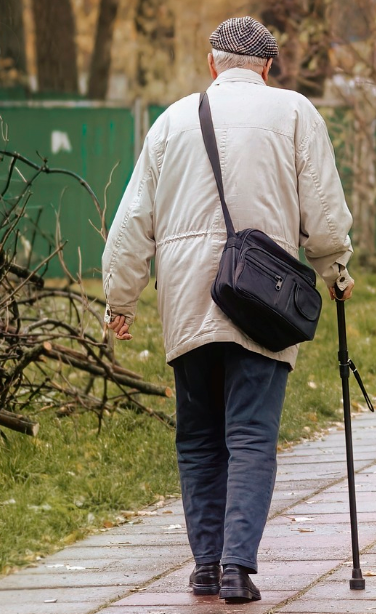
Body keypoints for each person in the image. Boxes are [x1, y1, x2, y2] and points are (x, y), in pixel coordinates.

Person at [101, 16, 354, 604]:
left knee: (197, 440)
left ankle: (204, 567)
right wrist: (335, 270)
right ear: (267, 69)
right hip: (260, 301)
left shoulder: (169, 122)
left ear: (211, 64)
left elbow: (132, 221)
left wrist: (121, 298)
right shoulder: (294, 112)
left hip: (188, 300)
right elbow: (322, 208)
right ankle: (238, 567)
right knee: (251, 437)